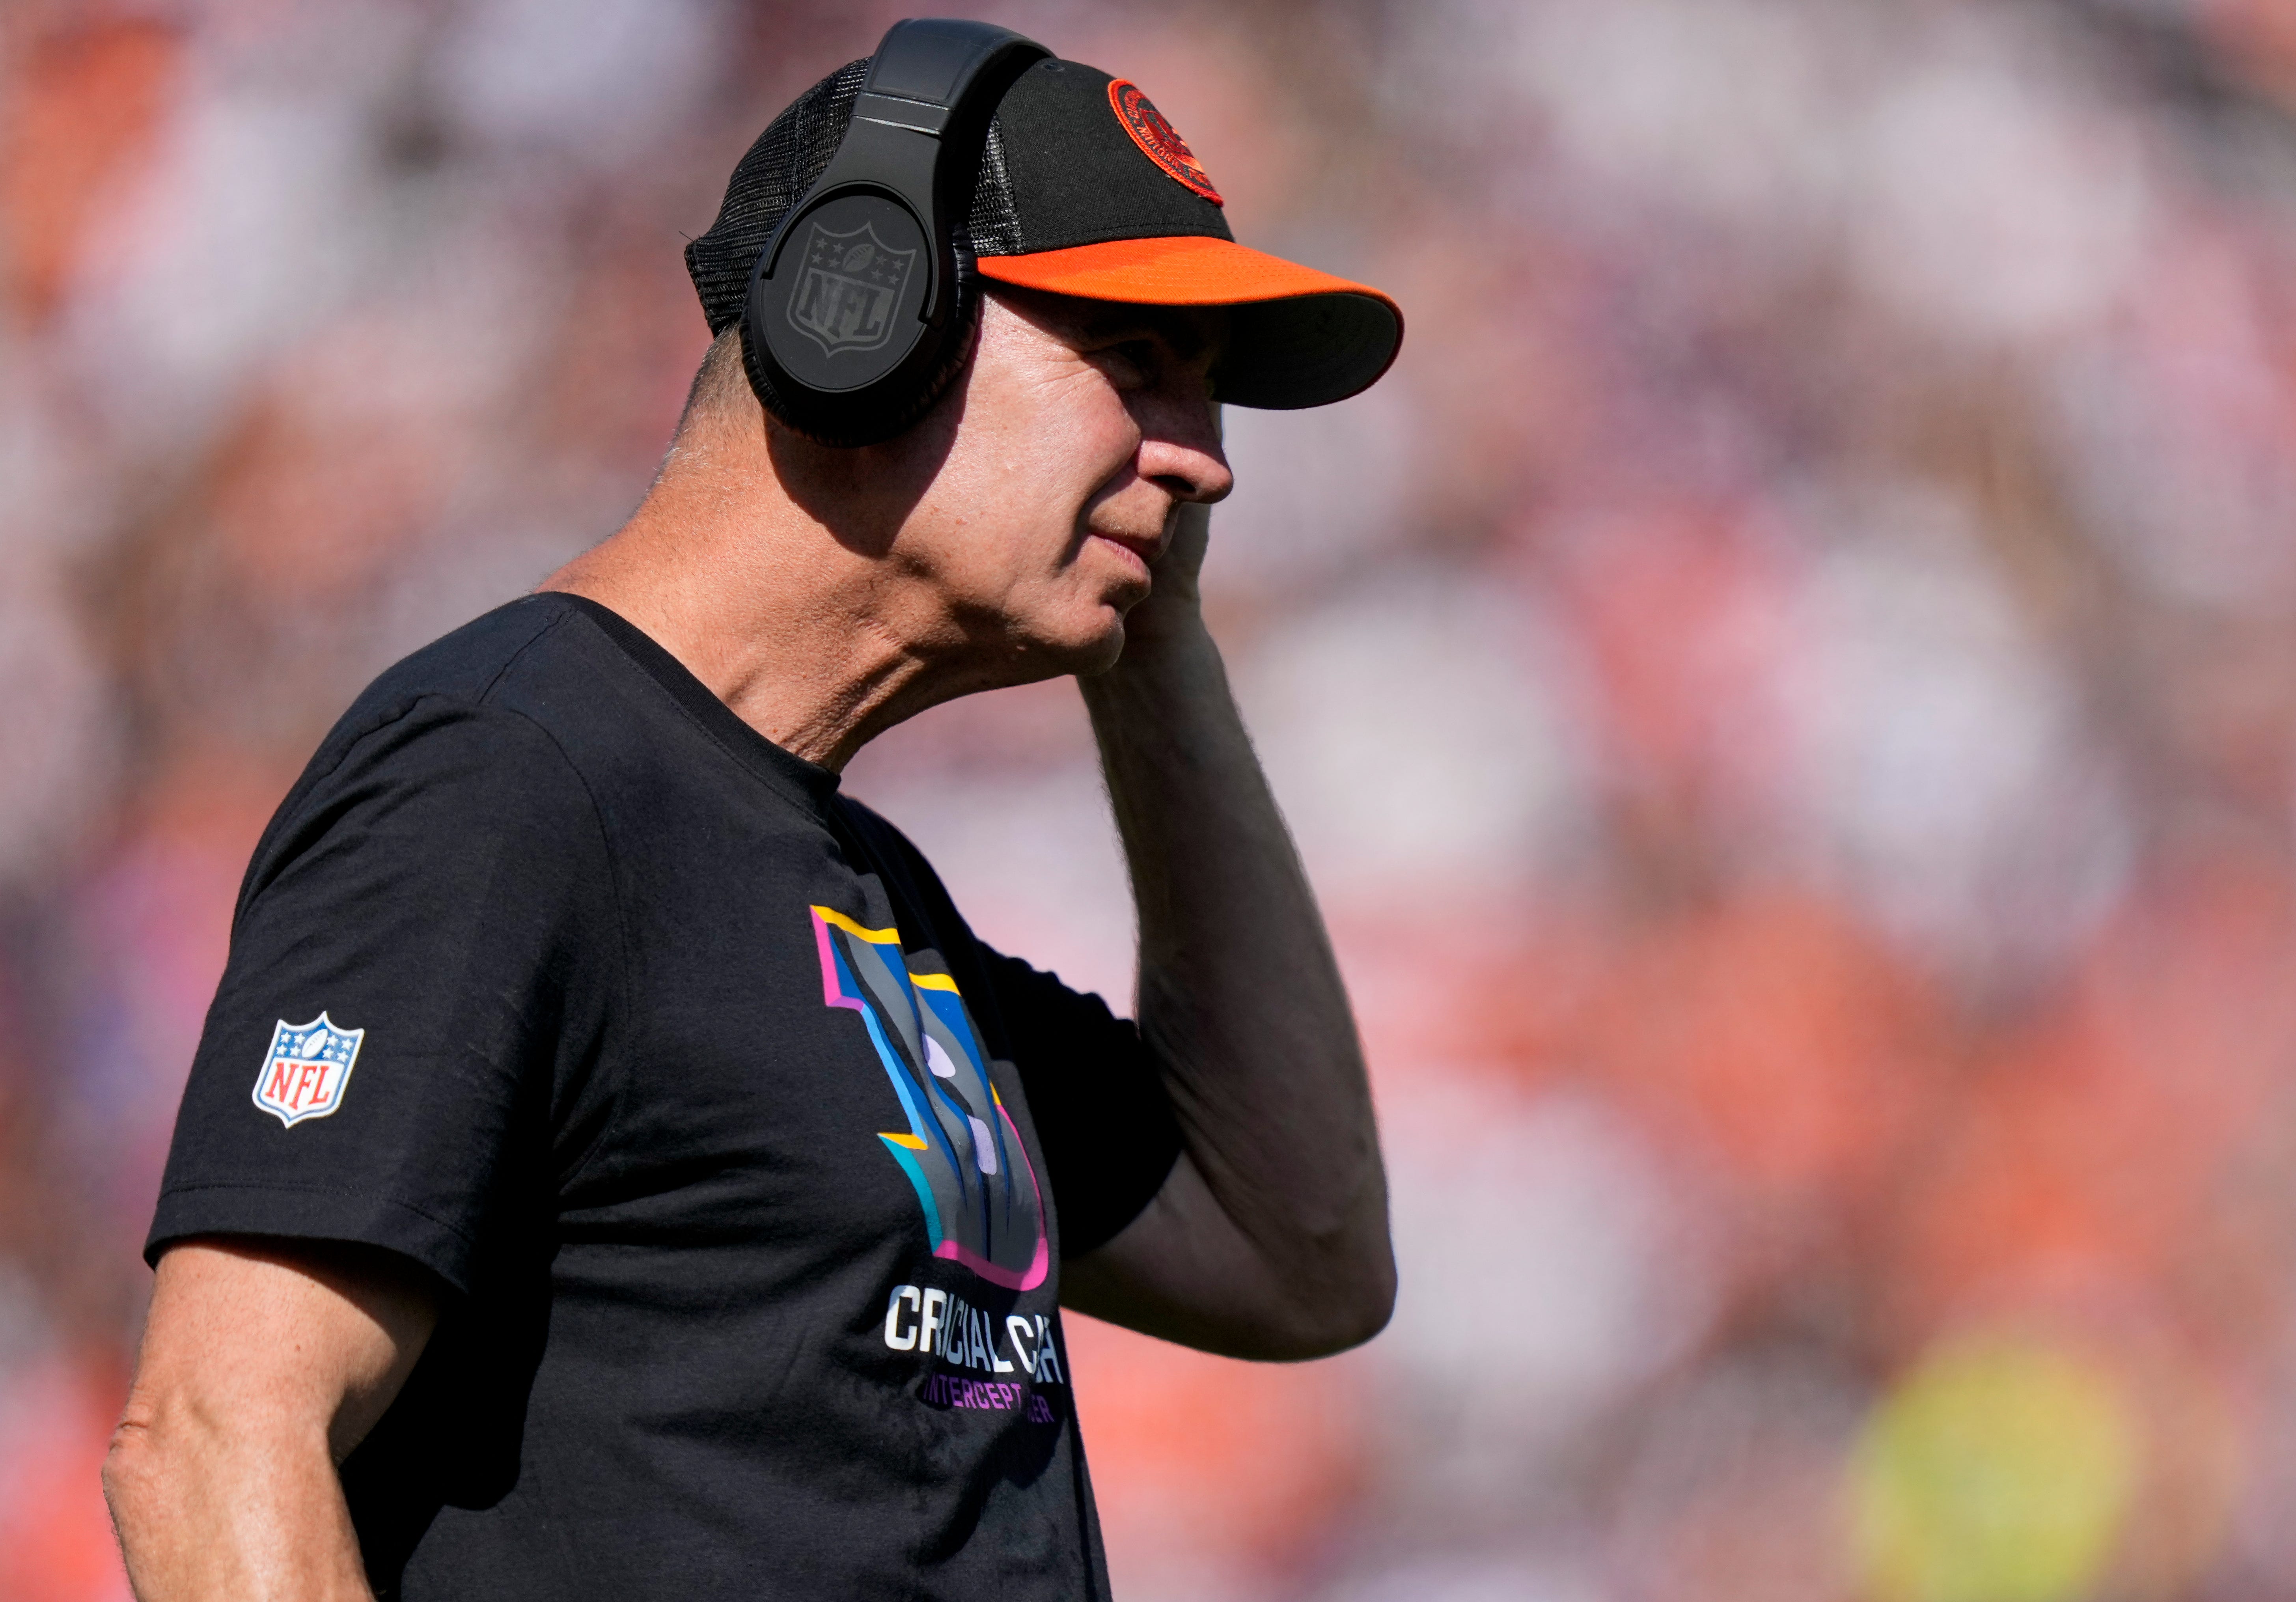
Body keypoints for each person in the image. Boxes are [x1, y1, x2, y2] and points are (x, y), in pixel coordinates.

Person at [101, 25, 1401, 1602]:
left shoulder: (854, 881)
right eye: (1135, 363)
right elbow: (216, 1436)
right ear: (864, 310)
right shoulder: (508, 775)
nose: (1203, 463)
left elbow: (1299, 1248)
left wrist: (1160, 659)